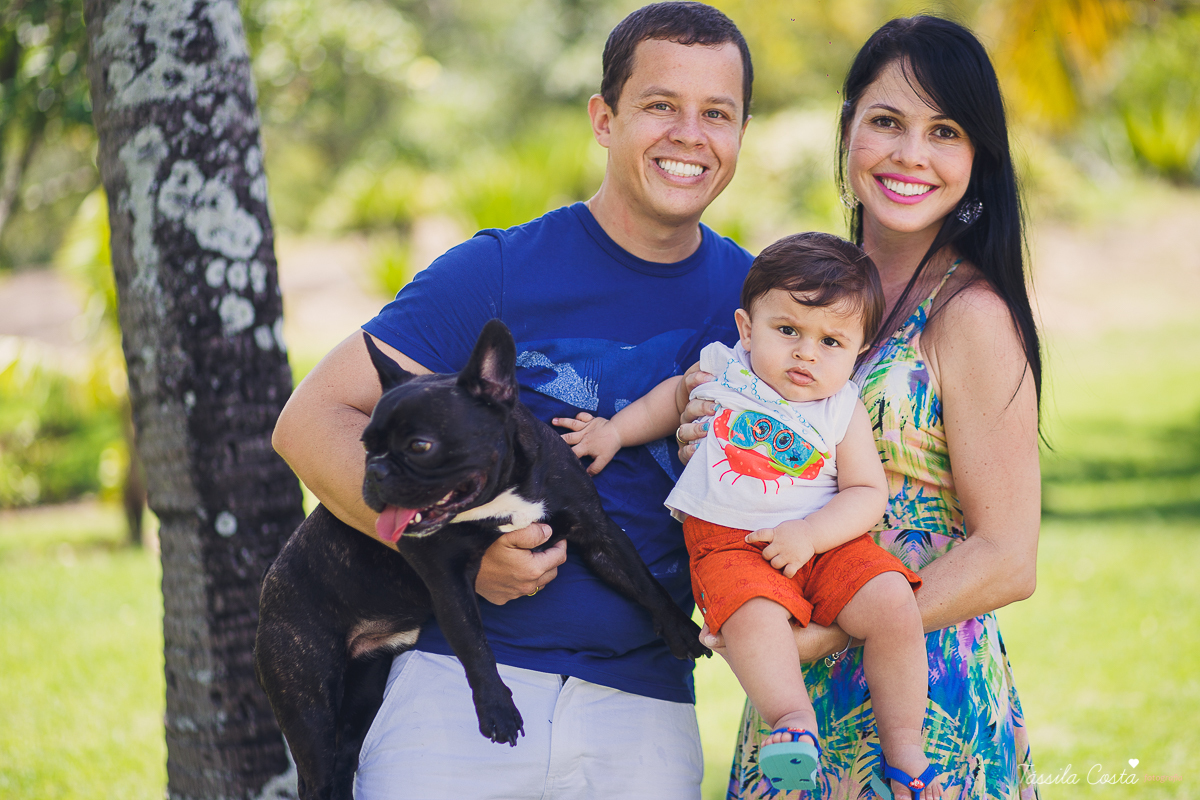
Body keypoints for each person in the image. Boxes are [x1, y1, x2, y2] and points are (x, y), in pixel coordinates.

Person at [272, 3, 754, 798]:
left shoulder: (758, 301)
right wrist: (449, 549)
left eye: (718, 114)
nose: (690, 135)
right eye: (661, 105)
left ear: (740, 135)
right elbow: (310, 421)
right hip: (457, 688)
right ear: (605, 118)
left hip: (645, 703)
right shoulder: (496, 271)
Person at [675, 15, 1042, 800]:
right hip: (794, 698)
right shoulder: (806, 300)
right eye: (886, 122)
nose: (912, 154)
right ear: (848, 134)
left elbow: (1008, 557)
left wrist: (822, 635)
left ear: (977, 158)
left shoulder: (970, 315)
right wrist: (707, 436)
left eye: (944, 131)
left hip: (922, 693)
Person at [557, 231, 941, 798]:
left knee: (892, 603)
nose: (806, 352)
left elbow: (865, 492)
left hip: (824, 540)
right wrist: (613, 431)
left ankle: (907, 758)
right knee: (752, 620)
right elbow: (669, 401)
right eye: (787, 331)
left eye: (831, 341)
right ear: (746, 328)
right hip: (731, 545)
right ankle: (793, 728)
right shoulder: (724, 368)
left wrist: (810, 533)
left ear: (859, 350)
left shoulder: (841, 408)